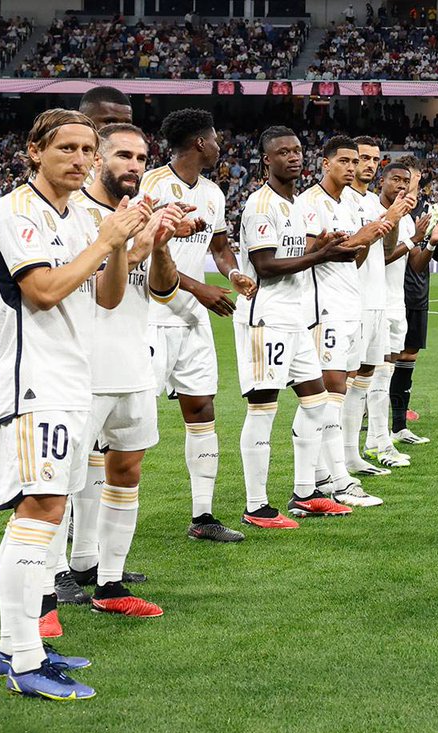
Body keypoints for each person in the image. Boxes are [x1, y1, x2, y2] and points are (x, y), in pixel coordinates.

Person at [0, 108, 150, 699]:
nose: (81, 161)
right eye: (68, 149)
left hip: (74, 380)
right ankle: (22, 658)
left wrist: (124, 244)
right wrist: (106, 239)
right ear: (35, 151)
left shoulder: (83, 214)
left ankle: (22, 650)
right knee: (41, 510)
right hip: (35, 380)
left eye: (87, 150)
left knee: (47, 510)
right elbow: (44, 288)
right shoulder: (15, 210)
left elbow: (106, 298)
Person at [68, 123, 188, 618]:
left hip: (134, 363)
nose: (134, 166)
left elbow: (160, 290)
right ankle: (61, 578)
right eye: (123, 155)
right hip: (81, 367)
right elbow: (99, 290)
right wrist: (134, 241)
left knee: (127, 471)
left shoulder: (139, 216)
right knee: (66, 479)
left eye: (141, 158)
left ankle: (111, 583)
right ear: (99, 159)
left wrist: (159, 244)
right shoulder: (75, 215)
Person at [141, 109, 256, 543]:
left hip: (191, 321)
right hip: (150, 316)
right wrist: (200, 290)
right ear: (199, 144)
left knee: (202, 409)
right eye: (215, 137)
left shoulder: (212, 192)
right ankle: (81, 512)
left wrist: (232, 274)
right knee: (121, 420)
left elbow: (220, 247)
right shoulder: (151, 186)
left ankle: (202, 516)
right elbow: (149, 252)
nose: (220, 143)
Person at [234, 127, 356, 529]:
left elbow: (298, 252)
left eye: (298, 150)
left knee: (316, 401)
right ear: (267, 160)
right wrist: (320, 253)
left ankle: (305, 493)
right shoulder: (260, 204)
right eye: (283, 152)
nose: (294, 157)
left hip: (296, 317)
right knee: (263, 409)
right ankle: (257, 506)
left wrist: (323, 244)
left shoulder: (296, 204)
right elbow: (266, 266)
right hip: (266, 317)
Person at [297, 135, 392, 507]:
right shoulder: (310, 202)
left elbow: (352, 259)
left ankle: (324, 475)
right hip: (323, 308)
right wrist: (362, 236)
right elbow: (305, 252)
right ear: (325, 163)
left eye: (356, 162)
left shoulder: (349, 203)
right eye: (346, 161)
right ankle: (339, 480)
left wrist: (363, 239)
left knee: (335, 392)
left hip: (347, 305)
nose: (352, 168)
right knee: (330, 392)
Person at [342, 136, 416, 474]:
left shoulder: (372, 202)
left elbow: (384, 250)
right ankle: (344, 457)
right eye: (363, 158)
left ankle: (370, 445)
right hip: (348, 304)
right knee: (342, 385)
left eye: (374, 158)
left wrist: (393, 217)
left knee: (372, 378)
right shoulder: (336, 200)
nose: (369, 164)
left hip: (376, 302)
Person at [392, 189, 438, 445]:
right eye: (404, 182)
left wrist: (437, 236)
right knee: (380, 362)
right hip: (393, 295)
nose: (409, 189)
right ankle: (375, 423)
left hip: (417, 295)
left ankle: (398, 424)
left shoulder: (427, 214)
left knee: (407, 357)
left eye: (413, 181)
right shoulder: (393, 214)